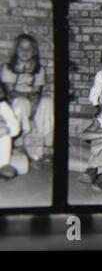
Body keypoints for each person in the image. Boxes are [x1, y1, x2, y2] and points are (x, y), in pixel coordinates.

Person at [1, 33, 54, 165]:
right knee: (21, 102)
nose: (25, 51)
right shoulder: (7, 68)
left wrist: (35, 103)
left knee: (48, 101)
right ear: (16, 50)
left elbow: (37, 92)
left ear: (34, 51)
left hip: (32, 102)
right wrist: (29, 97)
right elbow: (10, 92)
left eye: (29, 48)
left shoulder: (38, 69)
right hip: (15, 104)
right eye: (21, 48)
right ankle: (19, 143)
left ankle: (48, 146)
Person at [0, 84, 21, 179]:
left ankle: (3, 164)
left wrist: (7, 128)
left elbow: (14, 125)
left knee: (5, 135)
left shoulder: (2, 106)